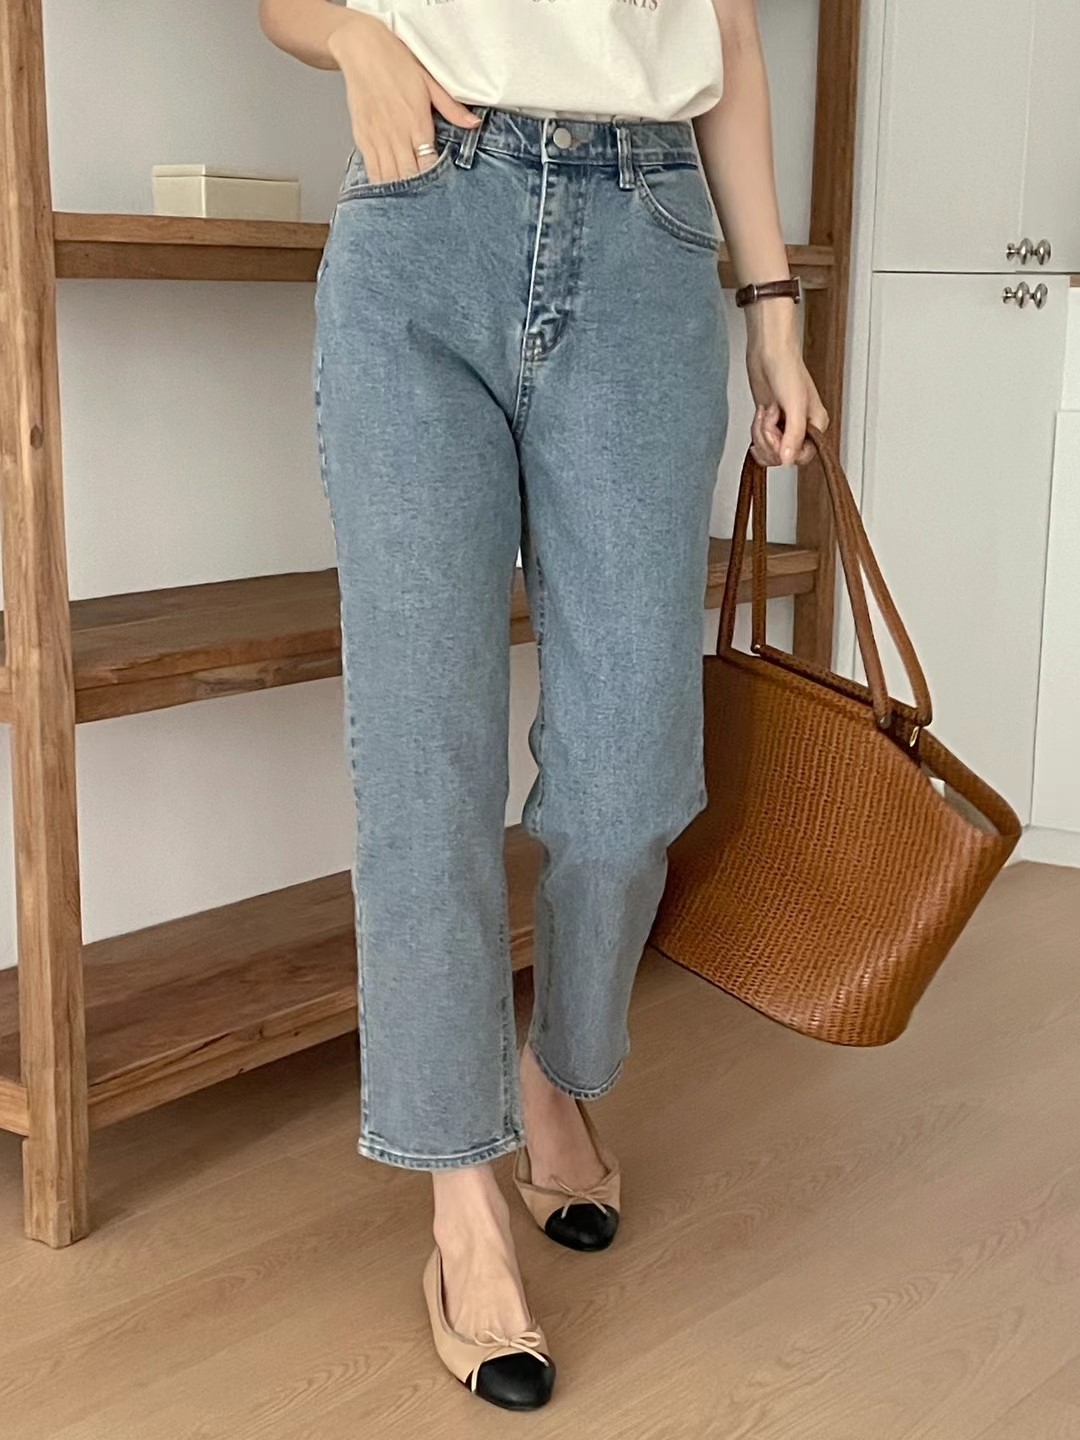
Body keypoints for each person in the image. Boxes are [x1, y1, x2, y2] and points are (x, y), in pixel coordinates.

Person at [260, 0, 828, 1411]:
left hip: (648, 233)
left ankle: (557, 1072)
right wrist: (355, 42)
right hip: (425, 212)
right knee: (424, 764)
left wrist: (773, 312)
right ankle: (462, 1205)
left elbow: (731, 36)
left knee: (632, 776)